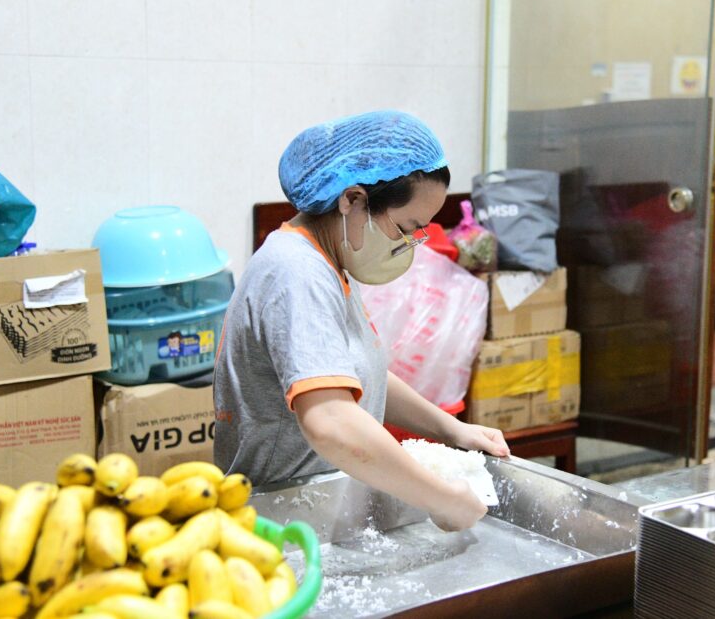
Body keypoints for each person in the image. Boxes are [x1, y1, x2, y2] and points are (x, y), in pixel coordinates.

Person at [213, 110, 510, 532]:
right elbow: (331, 421)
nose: (408, 244)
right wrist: (442, 499)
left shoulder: (328, 263)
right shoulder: (296, 273)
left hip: (318, 507)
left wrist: (451, 430)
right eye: (405, 227)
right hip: (282, 519)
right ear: (352, 200)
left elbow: (355, 373)